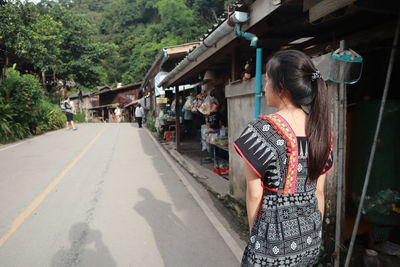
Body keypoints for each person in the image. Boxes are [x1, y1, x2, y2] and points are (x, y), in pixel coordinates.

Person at [234, 50, 333, 266]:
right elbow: (318, 192)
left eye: (267, 80)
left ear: (281, 86)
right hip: (310, 239)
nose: (265, 86)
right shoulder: (320, 130)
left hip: (272, 243)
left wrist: (255, 239)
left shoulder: (261, 130)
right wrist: (314, 233)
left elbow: (254, 194)